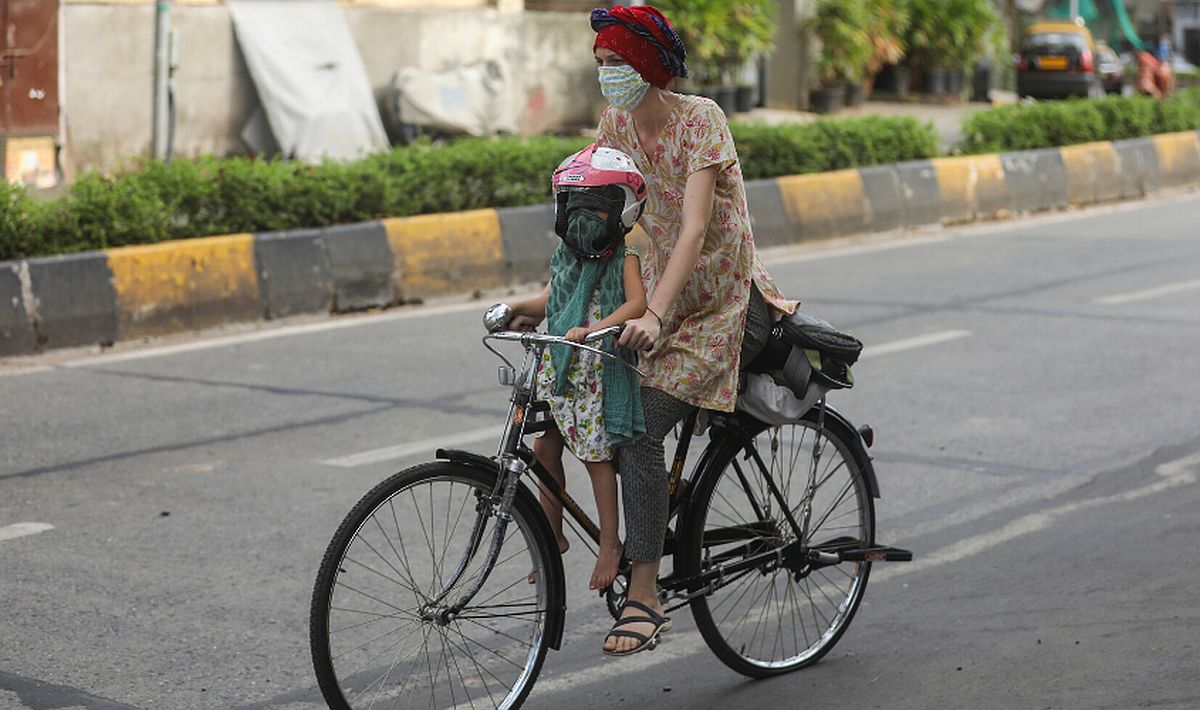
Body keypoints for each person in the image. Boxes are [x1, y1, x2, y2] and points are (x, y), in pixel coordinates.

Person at [586, 5, 798, 656]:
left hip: (728, 305)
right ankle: (598, 538)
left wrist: (653, 313)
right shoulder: (616, 123)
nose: (607, 77)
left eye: (616, 64)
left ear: (647, 67)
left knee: (642, 426)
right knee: (589, 398)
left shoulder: (701, 119)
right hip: (661, 303)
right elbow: (597, 219)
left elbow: (696, 228)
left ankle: (645, 595)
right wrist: (556, 301)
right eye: (600, 65)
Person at [507, 144, 649, 592]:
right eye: (575, 205)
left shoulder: (624, 257)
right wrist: (512, 309)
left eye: (597, 207)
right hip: (561, 366)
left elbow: (637, 304)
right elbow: (552, 300)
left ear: (622, 212)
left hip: (596, 372)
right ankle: (553, 534)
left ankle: (610, 543)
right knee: (547, 450)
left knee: (595, 459)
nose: (583, 216)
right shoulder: (565, 258)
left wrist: (595, 328)